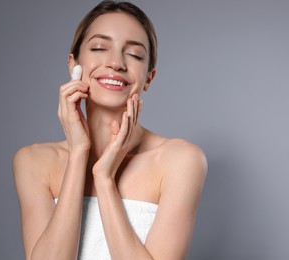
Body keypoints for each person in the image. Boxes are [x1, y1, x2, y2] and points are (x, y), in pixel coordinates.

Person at [13, 1, 207, 259]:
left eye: (135, 55)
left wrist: (104, 180)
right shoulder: (33, 162)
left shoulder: (181, 160)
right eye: (99, 48)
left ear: (149, 77)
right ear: (73, 65)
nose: (116, 63)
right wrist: (79, 153)